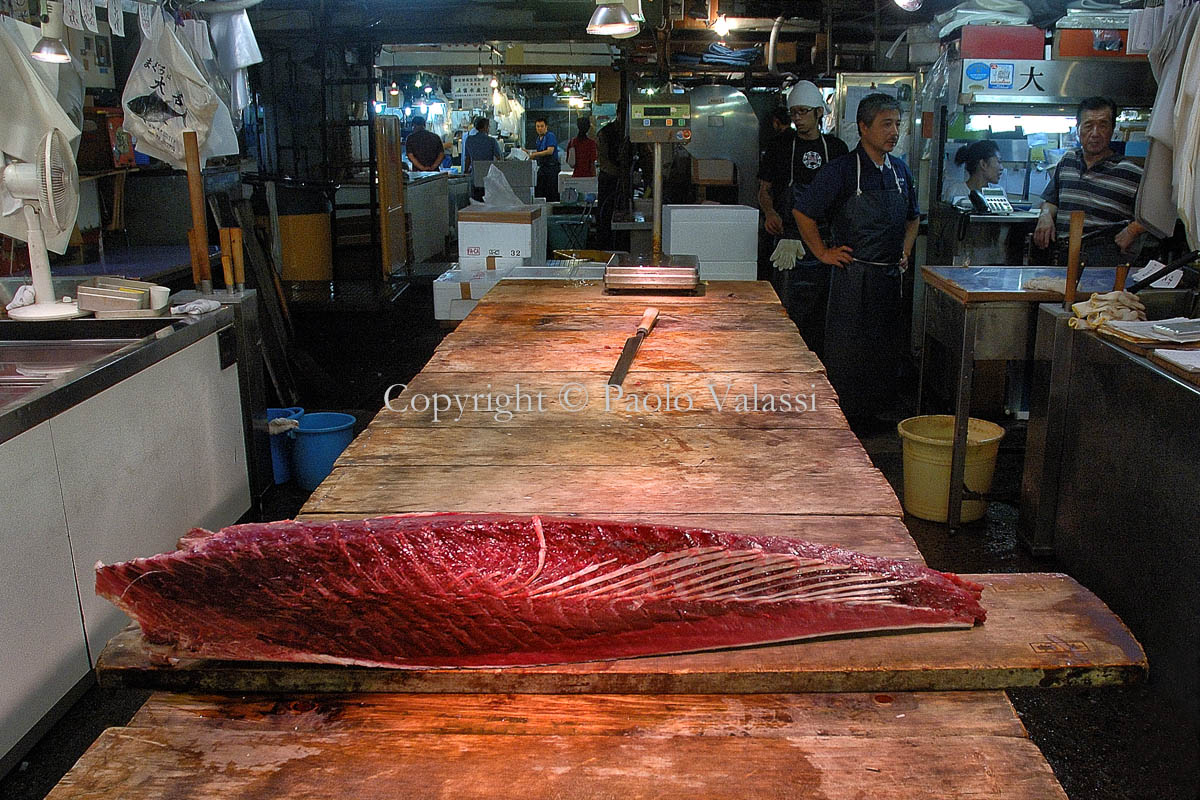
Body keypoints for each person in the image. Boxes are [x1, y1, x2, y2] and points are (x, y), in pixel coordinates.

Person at [793, 92, 920, 427]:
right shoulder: (841, 171)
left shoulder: (900, 172)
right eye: (886, 124)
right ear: (863, 128)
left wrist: (905, 251)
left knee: (883, 353)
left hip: (889, 281)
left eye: (897, 124)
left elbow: (913, 218)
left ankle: (874, 418)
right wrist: (822, 252)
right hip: (851, 279)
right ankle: (843, 421)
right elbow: (803, 212)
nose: (894, 131)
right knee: (848, 356)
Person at [757, 81, 849, 357]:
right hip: (789, 242)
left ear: (819, 113)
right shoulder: (780, 146)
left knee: (821, 315)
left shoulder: (836, 148)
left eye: (803, 112)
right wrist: (770, 213)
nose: (797, 119)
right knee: (786, 313)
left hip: (825, 242)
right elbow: (764, 189)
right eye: (794, 113)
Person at [1033, 96, 1146, 267]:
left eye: (1103, 125)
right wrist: (1045, 215)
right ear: (1078, 129)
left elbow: (1158, 214)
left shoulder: (1131, 172)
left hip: (1104, 258)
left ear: (1113, 129)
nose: (1095, 133)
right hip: (1064, 255)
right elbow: (1051, 201)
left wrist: (1133, 229)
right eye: (1088, 125)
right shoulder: (1067, 161)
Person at [596, 108, 626, 248]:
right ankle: (605, 249)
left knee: (623, 218)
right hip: (608, 181)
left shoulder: (630, 133)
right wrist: (619, 173)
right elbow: (603, 161)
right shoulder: (605, 133)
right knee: (606, 217)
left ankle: (621, 248)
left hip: (624, 182)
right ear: (618, 113)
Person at [943, 139, 1003, 205]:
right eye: (999, 162)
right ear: (983, 164)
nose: (1001, 168)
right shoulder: (955, 191)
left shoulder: (999, 192)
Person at [463, 116, 501, 201]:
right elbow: (499, 158)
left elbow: (468, 158)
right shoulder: (491, 141)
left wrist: (465, 171)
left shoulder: (469, 140)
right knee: (488, 201)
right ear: (485, 127)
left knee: (476, 202)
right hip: (489, 176)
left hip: (475, 176)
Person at [527, 117, 561, 202]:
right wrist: (527, 152)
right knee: (540, 191)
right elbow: (540, 151)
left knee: (551, 192)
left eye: (542, 126)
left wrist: (534, 155)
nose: (539, 128)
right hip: (543, 168)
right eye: (538, 126)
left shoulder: (550, 136)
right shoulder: (538, 139)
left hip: (551, 169)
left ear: (546, 127)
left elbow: (550, 151)